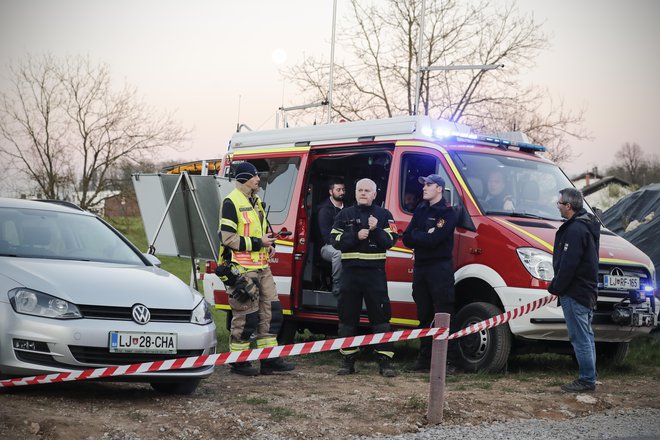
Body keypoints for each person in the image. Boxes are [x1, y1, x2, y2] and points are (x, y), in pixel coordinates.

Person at [219, 161, 295, 376]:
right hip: (241, 269)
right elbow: (227, 238)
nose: (258, 179)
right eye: (254, 176)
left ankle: (268, 359)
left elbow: (262, 231)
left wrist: (270, 245)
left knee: (272, 313)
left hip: (262, 267)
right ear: (244, 178)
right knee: (246, 316)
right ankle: (238, 362)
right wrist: (259, 242)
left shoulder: (256, 201)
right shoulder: (230, 202)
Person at [330, 178, 399, 377]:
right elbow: (334, 240)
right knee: (347, 319)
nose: (363, 193)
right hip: (350, 274)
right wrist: (354, 236)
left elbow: (391, 241)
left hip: (374, 274)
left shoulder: (385, 215)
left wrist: (376, 230)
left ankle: (385, 363)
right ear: (355, 192)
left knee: (381, 318)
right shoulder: (345, 214)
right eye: (360, 189)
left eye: (367, 190)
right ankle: (348, 362)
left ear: (375, 194)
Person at [402, 174, 459, 372]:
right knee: (424, 314)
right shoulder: (420, 209)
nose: (424, 188)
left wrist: (423, 236)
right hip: (421, 268)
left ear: (439, 188)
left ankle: (449, 360)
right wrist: (424, 235)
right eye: (424, 184)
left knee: (444, 313)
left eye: (428, 185)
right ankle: (424, 359)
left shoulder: (448, 212)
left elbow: (435, 240)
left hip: (439, 268)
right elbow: (407, 237)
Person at [548, 187, 600, 392]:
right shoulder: (586, 225)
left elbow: (569, 264)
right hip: (585, 291)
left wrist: (556, 287)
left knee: (579, 337)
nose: (558, 206)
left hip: (575, 292)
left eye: (559, 203)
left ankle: (587, 380)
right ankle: (591, 375)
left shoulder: (576, 229)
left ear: (568, 206)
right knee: (586, 335)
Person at [318, 179, 346, 297]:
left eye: (343, 190)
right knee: (338, 254)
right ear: (331, 192)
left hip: (347, 243)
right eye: (338, 190)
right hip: (328, 247)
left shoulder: (349, 207)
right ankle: (337, 284)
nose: (342, 192)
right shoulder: (324, 210)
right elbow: (327, 237)